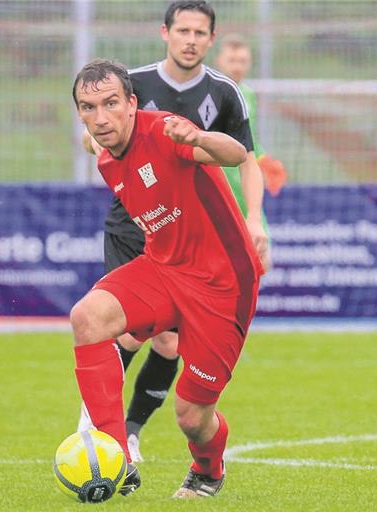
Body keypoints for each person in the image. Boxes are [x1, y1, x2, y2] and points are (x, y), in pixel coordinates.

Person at [77, 0, 268, 464]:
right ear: (165, 33)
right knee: (89, 317)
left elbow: (237, 153)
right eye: (88, 108)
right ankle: (113, 450)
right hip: (162, 263)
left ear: (131, 103)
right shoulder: (107, 157)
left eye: (109, 105)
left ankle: (207, 468)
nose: (100, 117)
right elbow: (106, 144)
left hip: (221, 281)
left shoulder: (170, 126)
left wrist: (199, 138)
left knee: (192, 415)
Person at [216, 33, 288, 198]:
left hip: (244, 175)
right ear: (219, 60)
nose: (237, 67)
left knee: (255, 221)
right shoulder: (209, 92)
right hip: (218, 176)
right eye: (232, 61)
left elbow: (249, 136)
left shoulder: (248, 94)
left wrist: (264, 160)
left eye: (242, 61)